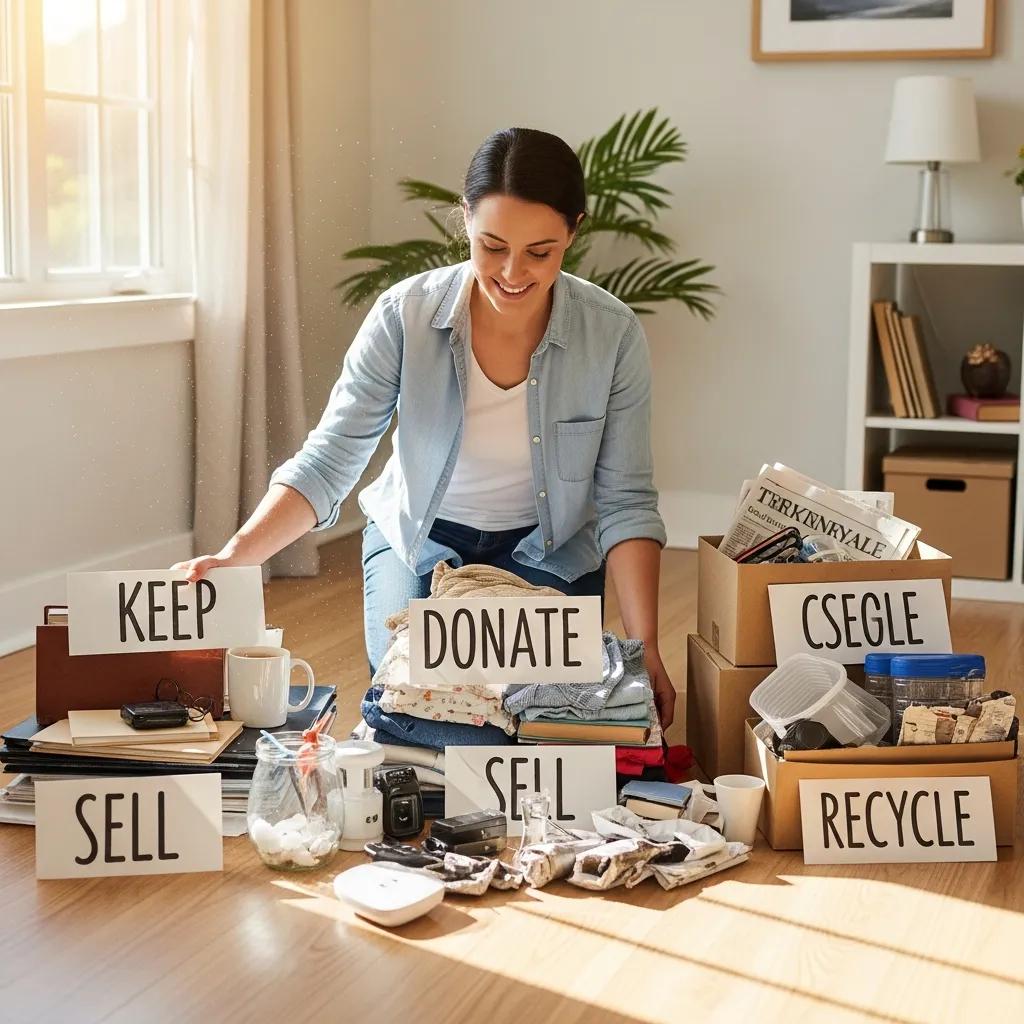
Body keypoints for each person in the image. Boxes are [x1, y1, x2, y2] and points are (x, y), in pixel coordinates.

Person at [173, 127, 675, 728]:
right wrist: (237, 556)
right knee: (415, 710)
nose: (512, 272)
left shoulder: (612, 334)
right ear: (465, 220)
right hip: (420, 540)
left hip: (549, 552)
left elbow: (625, 500)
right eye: (492, 245)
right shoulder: (403, 315)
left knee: (538, 721)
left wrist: (646, 649)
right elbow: (331, 459)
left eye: (539, 252)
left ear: (573, 231)